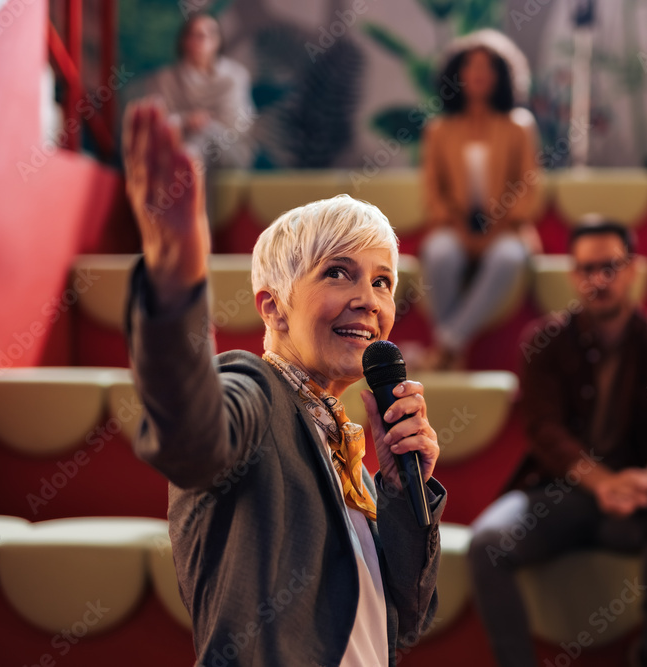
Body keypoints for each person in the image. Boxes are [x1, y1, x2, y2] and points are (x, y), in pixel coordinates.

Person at [122, 100, 445, 666]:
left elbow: (407, 618)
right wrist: (175, 287)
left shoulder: (349, 450)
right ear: (273, 308)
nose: (367, 299)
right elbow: (189, 435)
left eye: (382, 281)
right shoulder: (253, 387)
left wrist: (398, 491)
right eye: (337, 273)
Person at [468, 219, 647, 667]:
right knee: (486, 543)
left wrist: (645, 482)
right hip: (557, 494)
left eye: (610, 267)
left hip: (634, 502)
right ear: (574, 275)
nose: (599, 279)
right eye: (588, 269)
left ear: (633, 270)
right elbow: (544, 431)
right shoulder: (545, 341)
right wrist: (602, 483)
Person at [419, 30, 542, 369]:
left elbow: (528, 185)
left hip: (507, 229)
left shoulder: (519, 126)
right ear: (457, 74)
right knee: (440, 253)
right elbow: (433, 190)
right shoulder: (439, 130)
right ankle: (452, 353)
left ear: (502, 76)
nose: (478, 73)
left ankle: (447, 344)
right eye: (471, 66)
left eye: (487, 67)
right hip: (454, 226)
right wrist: (459, 226)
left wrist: (500, 224)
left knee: (507, 259)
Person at [150, 13, 256, 213]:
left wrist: (205, 124)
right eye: (196, 35)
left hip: (230, 151)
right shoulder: (166, 79)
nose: (202, 40)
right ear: (184, 41)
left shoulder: (235, 76)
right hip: (177, 146)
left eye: (209, 35)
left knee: (201, 140)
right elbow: (158, 123)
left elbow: (236, 125)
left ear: (218, 41)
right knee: (189, 146)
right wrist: (186, 120)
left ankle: (195, 228)